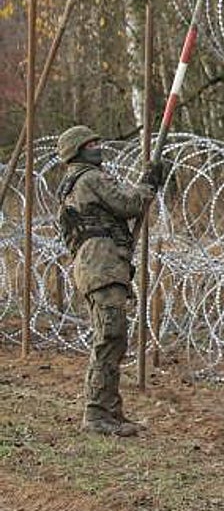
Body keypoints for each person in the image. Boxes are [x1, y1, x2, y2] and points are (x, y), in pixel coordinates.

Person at [56, 125, 164, 437]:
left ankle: (110, 411)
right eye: (91, 143)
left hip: (96, 264)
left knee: (112, 337)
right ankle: (96, 413)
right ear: (78, 150)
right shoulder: (90, 177)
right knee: (109, 337)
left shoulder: (72, 182)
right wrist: (148, 184)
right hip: (101, 265)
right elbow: (127, 205)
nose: (98, 146)